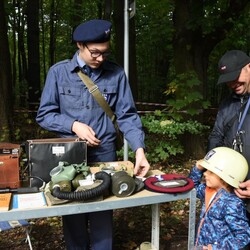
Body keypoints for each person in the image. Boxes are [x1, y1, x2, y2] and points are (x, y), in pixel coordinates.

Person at [36, 19, 150, 250]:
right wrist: (73, 125)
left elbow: (127, 115)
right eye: (95, 53)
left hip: (105, 153)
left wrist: (139, 150)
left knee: (101, 211)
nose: (100, 59)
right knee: (72, 211)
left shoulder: (116, 74)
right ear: (80, 44)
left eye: (105, 53)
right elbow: (44, 114)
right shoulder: (58, 73)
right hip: (70, 156)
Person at [207, 50, 250, 211]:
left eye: (236, 77)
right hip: (230, 194)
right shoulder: (227, 103)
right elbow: (216, 136)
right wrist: (210, 171)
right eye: (228, 80)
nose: (233, 84)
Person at [188, 147, 250, 249]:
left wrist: (213, 248)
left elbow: (243, 237)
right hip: (201, 243)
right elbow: (191, 188)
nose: (205, 173)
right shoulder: (206, 190)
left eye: (211, 172)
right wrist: (197, 169)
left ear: (225, 178)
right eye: (206, 170)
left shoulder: (232, 203)